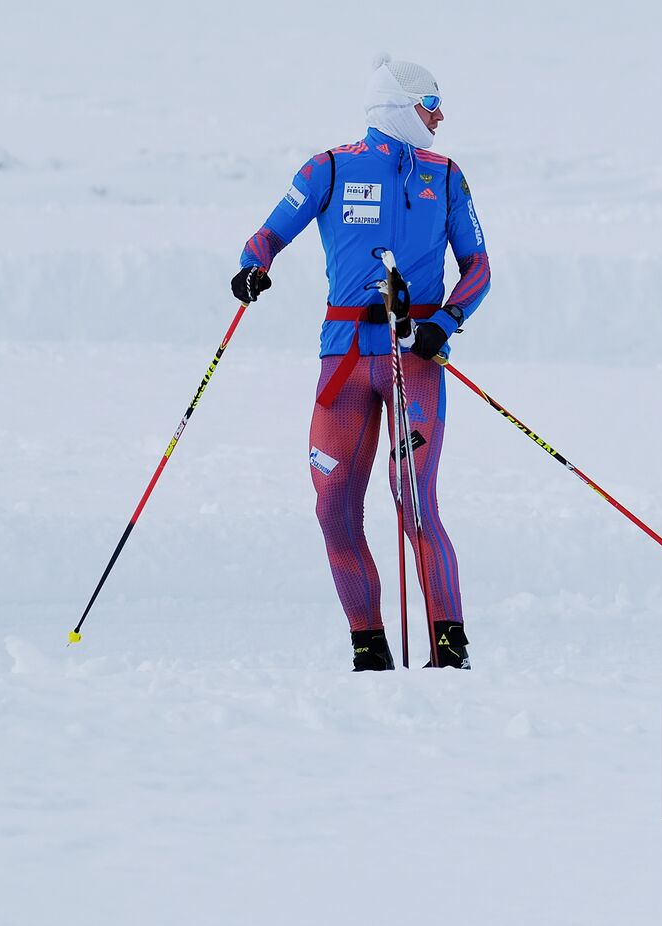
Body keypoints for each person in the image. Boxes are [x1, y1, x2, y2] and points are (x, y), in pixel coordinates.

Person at [231, 55, 489, 671]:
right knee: (333, 508)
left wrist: (444, 324)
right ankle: (368, 648)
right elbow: (267, 235)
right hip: (344, 364)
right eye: (432, 103)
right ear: (401, 107)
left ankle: (448, 650)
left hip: (413, 360)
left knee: (414, 499)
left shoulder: (445, 175)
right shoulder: (330, 167)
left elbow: (478, 267)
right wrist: (252, 268)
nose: (441, 114)